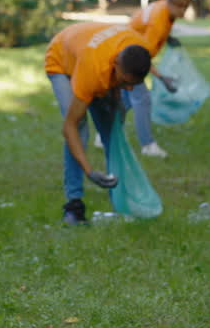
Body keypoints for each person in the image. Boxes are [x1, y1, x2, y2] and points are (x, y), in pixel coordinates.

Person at [45, 21, 153, 224]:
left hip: (89, 49)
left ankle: (119, 201)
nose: (129, 90)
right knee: (80, 127)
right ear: (115, 66)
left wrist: (117, 98)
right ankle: (74, 206)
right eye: (125, 83)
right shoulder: (93, 70)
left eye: (134, 85)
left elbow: (124, 80)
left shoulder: (140, 48)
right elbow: (69, 127)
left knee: (112, 131)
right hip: (61, 60)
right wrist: (90, 171)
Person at [125, 0, 192, 157]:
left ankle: (103, 136)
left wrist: (168, 39)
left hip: (127, 49)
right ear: (170, 2)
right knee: (142, 99)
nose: (184, 10)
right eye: (180, 6)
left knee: (125, 100)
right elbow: (142, 57)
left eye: (186, 5)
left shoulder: (165, 9)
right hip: (129, 55)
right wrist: (162, 78)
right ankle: (148, 145)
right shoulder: (159, 22)